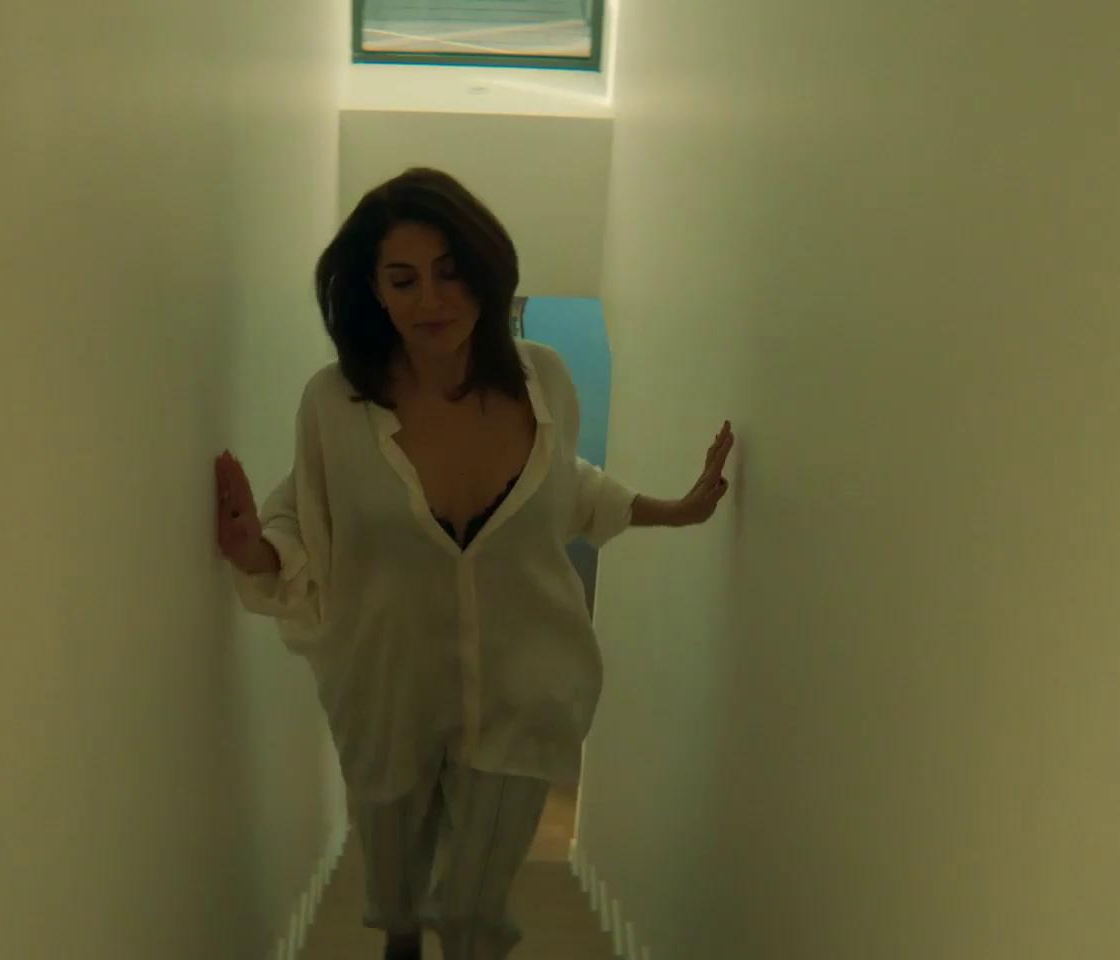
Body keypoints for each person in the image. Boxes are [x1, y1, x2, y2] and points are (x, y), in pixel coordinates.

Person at [212, 167, 733, 960]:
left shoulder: (544, 380)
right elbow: (303, 517)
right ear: (374, 291)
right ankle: (399, 941)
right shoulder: (334, 403)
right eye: (404, 279)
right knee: (395, 891)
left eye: (451, 272)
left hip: (526, 686)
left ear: (487, 273)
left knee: (475, 910)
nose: (432, 299)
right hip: (384, 689)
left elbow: (564, 487)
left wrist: (676, 508)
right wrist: (251, 544)